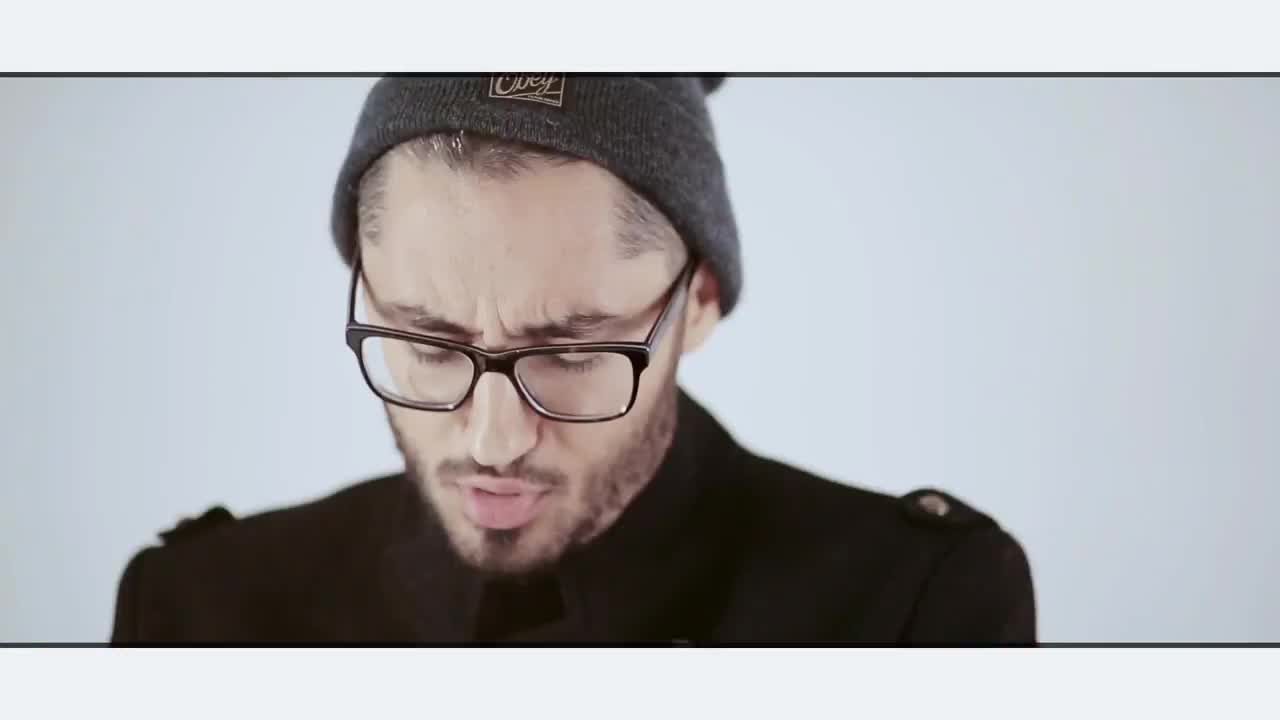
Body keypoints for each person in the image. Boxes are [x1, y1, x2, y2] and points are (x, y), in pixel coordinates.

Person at [110, 75, 1036, 644]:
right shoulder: (199, 611)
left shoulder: (912, 609)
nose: (493, 441)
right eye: (428, 344)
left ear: (699, 300)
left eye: (571, 352)